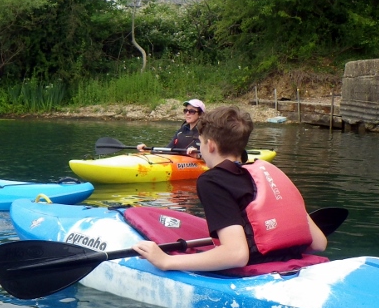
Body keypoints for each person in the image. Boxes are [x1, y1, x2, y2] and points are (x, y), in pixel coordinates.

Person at [133, 106, 327, 272]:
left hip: (257, 272)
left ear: (210, 146)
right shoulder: (268, 171)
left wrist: (166, 261)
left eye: (199, 143)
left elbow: (237, 255)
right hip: (294, 266)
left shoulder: (211, 181)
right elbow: (319, 243)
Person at [137, 99, 205, 157]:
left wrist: (198, 155)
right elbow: (168, 149)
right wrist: (148, 150)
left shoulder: (205, 132)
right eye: (185, 110)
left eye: (191, 111)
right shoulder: (181, 131)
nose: (187, 113)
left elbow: (212, 155)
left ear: (200, 114)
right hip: (178, 163)